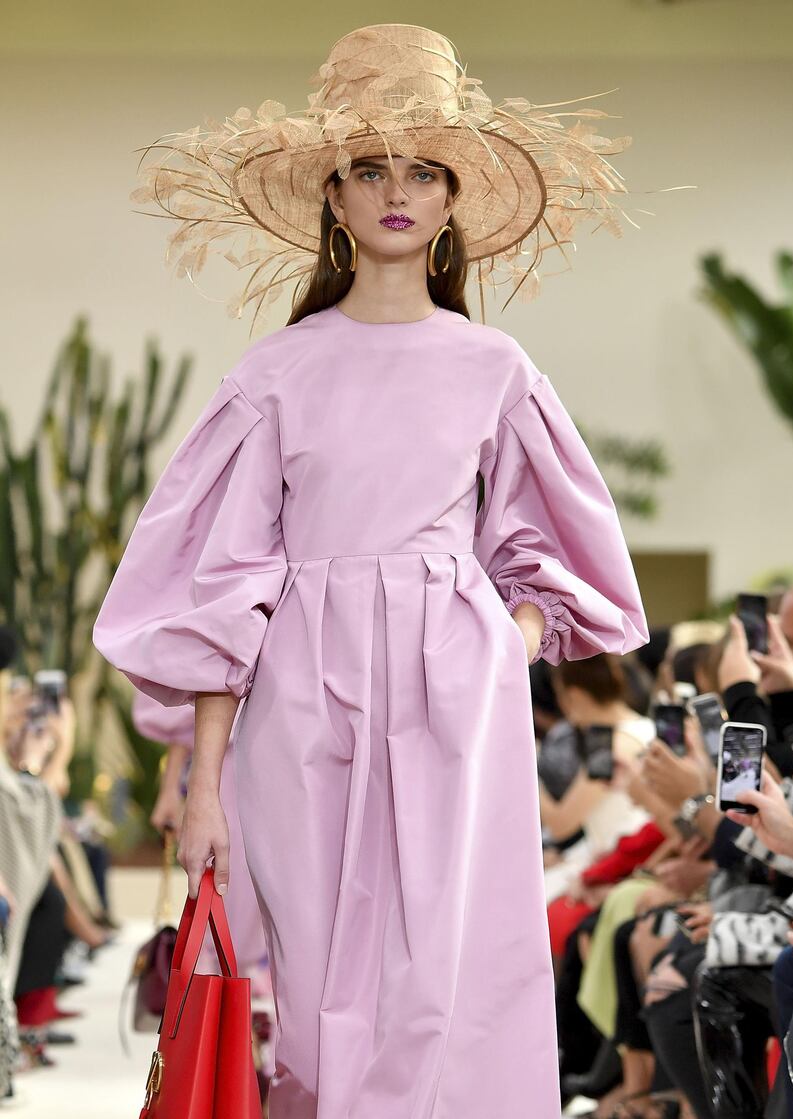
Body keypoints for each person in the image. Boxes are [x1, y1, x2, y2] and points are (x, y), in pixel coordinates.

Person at [93, 23, 649, 1118]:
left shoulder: (495, 368)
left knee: (443, 979)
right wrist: (200, 784)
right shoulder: (275, 373)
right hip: (298, 697)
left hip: (455, 696)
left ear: (452, 202)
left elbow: (552, 555)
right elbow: (224, 587)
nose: (395, 191)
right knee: (305, 987)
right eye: (367, 170)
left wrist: (501, 643)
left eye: (422, 171)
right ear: (334, 202)